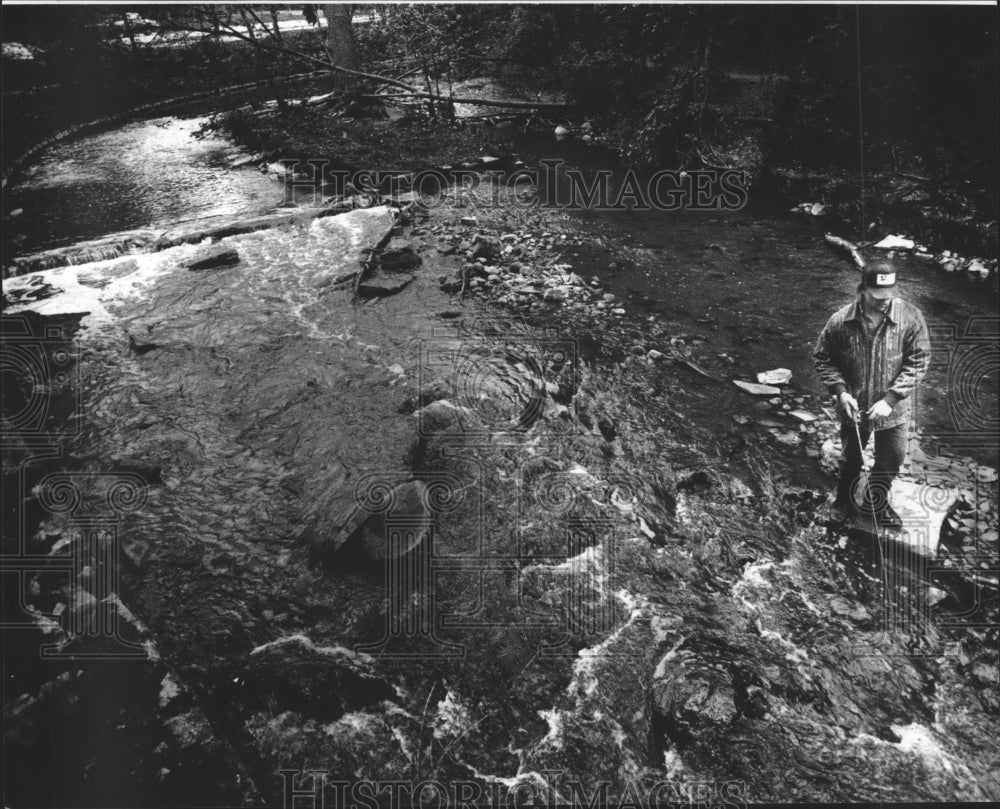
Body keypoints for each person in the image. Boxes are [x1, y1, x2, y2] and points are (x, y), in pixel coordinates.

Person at [813, 260, 931, 527]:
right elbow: (822, 359)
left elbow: (919, 361)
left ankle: (875, 504)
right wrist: (841, 392)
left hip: (894, 409)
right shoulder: (840, 321)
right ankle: (843, 501)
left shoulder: (911, 318)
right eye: (878, 297)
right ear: (862, 290)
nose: (884, 302)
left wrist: (890, 400)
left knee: (892, 460)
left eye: (889, 296)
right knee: (850, 459)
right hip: (852, 407)